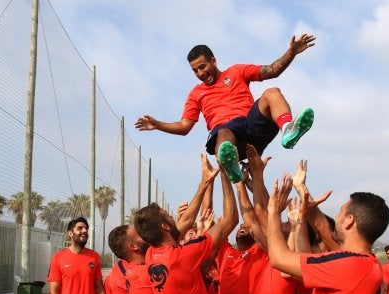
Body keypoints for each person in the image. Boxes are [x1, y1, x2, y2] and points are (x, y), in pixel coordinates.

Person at [135, 34, 317, 183]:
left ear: (213, 61)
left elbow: (271, 70)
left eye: (202, 67)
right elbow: (184, 127)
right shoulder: (196, 94)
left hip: (251, 126)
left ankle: (288, 130)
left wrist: (291, 52)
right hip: (230, 136)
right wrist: (158, 124)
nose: (200, 73)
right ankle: (232, 165)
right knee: (222, 132)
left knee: (272, 92)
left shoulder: (236, 71)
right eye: (195, 71)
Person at [266, 174, 389, 294]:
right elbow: (320, 232)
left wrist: (273, 212)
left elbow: (278, 258)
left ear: (349, 221)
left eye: (340, 211)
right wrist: (302, 191)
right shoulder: (368, 263)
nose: (337, 217)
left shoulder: (348, 265)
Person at [133, 154, 238, 294]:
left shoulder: (151, 254)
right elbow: (231, 220)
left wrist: (204, 182)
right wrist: (225, 172)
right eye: (168, 215)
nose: (174, 217)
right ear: (164, 227)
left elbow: (186, 221)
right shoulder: (183, 256)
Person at [47, 217, 109, 294]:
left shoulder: (94, 257)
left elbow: (98, 286)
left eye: (86, 228)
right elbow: (54, 291)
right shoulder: (58, 258)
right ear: (70, 234)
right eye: (80, 228)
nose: (84, 231)